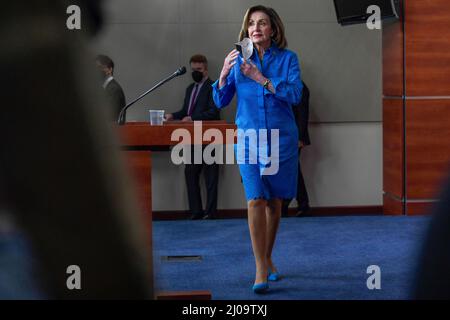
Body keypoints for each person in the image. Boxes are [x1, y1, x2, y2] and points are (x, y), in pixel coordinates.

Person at [212, 5, 303, 293]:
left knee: (275, 203)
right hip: (249, 141)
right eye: (251, 23)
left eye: (262, 23)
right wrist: (224, 74)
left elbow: (295, 94)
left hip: (279, 140)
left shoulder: (288, 59)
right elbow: (220, 100)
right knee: (255, 200)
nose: (256, 27)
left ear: (273, 29)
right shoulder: (238, 61)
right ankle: (260, 267)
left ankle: (268, 257)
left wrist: (261, 79)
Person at [165, 54, 220, 220]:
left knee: (211, 177)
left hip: (210, 137)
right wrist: (172, 116)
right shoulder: (190, 89)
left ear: (206, 69)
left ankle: (210, 212)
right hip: (192, 138)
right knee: (190, 173)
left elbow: (213, 112)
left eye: (199, 69)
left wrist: (193, 118)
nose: (196, 72)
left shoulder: (214, 87)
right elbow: (185, 112)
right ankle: (195, 211)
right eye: (193, 69)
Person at [281, 81, 311, 217]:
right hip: (284, 135)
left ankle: (288, 205)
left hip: (294, 136)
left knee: (291, 170)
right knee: (292, 170)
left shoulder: (299, 86)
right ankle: (301, 204)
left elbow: (303, 113)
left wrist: (300, 138)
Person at [95, 54, 126, 120]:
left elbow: (111, 116)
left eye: (100, 67)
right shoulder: (105, 88)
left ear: (110, 70)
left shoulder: (114, 90)